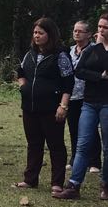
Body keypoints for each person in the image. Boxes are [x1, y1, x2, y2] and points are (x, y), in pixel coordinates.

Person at [58, 11, 108, 201]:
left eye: (106, 27)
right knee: (82, 144)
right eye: (99, 27)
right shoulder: (91, 49)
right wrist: (100, 76)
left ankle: (106, 185)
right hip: (89, 102)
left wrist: (99, 51)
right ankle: (74, 185)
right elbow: (79, 71)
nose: (101, 30)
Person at [14, 17, 73, 191]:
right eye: (35, 32)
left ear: (50, 34)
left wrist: (63, 106)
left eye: (40, 33)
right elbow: (20, 71)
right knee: (33, 144)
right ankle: (30, 179)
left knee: (55, 145)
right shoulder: (30, 54)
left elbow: (68, 82)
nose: (36, 36)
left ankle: (57, 182)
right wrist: (23, 87)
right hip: (30, 107)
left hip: (51, 108)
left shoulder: (60, 56)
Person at [65, 19, 99, 171]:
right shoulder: (69, 50)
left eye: (80, 31)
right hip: (72, 95)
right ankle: (75, 158)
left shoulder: (95, 50)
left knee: (90, 129)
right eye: (75, 30)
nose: (77, 33)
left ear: (89, 34)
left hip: (88, 95)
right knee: (74, 128)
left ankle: (94, 161)